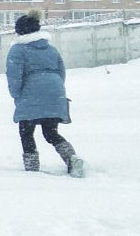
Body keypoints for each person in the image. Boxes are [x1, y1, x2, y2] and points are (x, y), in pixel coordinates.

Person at [5, 12, 84, 177]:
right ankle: (72, 158)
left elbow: (14, 76)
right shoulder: (51, 49)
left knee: (26, 132)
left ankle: (32, 169)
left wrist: (16, 95)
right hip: (55, 93)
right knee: (50, 132)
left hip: (31, 93)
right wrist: (55, 91)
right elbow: (61, 72)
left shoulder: (18, 50)